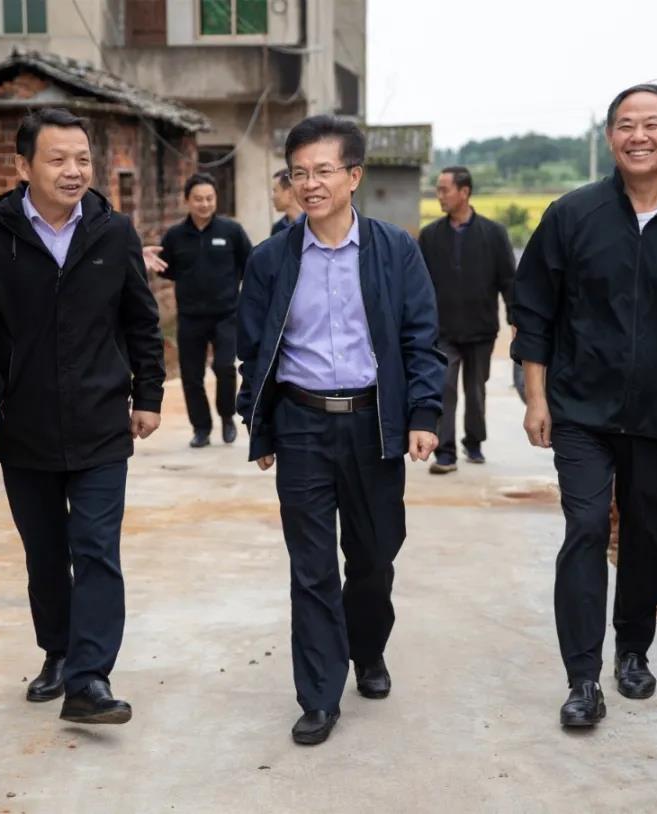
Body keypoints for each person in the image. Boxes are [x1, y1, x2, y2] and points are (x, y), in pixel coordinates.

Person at [510, 84, 657, 728]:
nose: (637, 136)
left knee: (647, 538)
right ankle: (582, 679)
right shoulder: (573, 215)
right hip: (580, 415)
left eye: (650, 124)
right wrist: (536, 397)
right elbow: (534, 311)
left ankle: (634, 649)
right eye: (624, 125)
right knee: (586, 530)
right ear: (610, 136)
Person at [0, 107, 165, 725]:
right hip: (26, 428)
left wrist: (148, 394)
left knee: (95, 549)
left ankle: (90, 679)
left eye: (83, 159)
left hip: (101, 424)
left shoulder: (113, 233)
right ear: (23, 166)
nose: (74, 171)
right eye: (58, 159)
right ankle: (59, 653)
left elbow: (141, 322)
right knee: (45, 554)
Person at [237, 115, 445, 746]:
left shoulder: (395, 250)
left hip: (372, 422)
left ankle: (368, 648)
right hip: (301, 422)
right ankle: (320, 695)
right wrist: (259, 423)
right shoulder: (271, 259)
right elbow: (253, 347)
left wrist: (424, 414)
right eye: (299, 173)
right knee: (311, 567)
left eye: (324, 171)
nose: (310, 184)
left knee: (374, 556)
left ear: (354, 176)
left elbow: (421, 337)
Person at [419, 166, 516, 474]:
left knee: (475, 390)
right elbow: (419, 286)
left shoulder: (494, 234)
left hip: (481, 329)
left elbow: (509, 281)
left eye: (444, 190)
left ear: (464, 192)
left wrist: (516, 321)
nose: (439, 196)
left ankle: (474, 442)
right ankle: (445, 452)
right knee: (444, 388)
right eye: (438, 190)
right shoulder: (430, 236)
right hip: (442, 331)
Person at [158, 173, 252, 448]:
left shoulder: (231, 231)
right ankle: (201, 428)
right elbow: (165, 268)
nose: (204, 204)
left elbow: (250, 263)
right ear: (187, 201)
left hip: (226, 314)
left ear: (216, 199)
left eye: (209, 198)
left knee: (225, 367)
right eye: (198, 199)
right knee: (191, 376)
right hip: (190, 317)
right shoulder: (175, 236)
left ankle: (227, 417)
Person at [270, 169, 303, 235]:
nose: (272, 197)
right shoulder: (277, 229)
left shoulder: (314, 224)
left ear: (290, 192)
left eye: (275, 191)